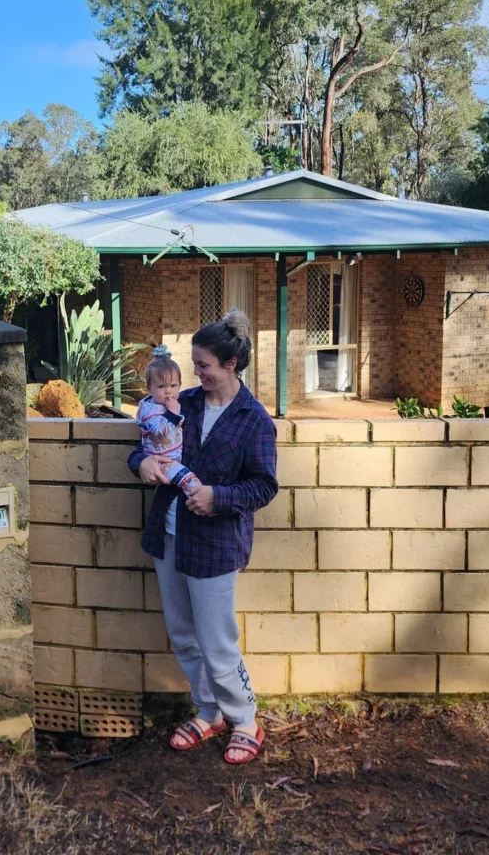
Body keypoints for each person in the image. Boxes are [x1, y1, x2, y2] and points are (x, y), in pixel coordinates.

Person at [128, 310, 278, 765]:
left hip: (217, 544)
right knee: (183, 634)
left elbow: (264, 486)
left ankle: (245, 719)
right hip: (169, 536)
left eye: (204, 365)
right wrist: (141, 464)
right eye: (195, 364)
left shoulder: (254, 420)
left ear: (231, 365)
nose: (196, 372)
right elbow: (146, 445)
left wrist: (218, 497)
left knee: (216, 640)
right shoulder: (183, 404)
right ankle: (208, 710)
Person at [135, 345, 202, 500]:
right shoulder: (149, 410)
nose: (168, 391)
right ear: (149, 389)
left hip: (173, 458)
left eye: (173, 386)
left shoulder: (168, 404)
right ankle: (201, 502)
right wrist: (172, 413)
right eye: (161, 386)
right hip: (161, 462)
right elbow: (159, 431)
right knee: (190, 481)